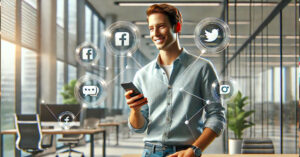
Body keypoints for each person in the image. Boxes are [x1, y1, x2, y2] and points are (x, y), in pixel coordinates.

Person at [125, 3, 225, 157]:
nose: (155, 33)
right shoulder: (142, 75)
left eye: (161, 26)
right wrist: (135, 110)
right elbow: (139, 127)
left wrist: (195, 149)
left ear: (177, 27)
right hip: (150, 152)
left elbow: (216, 116)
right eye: (151, 28)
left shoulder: (202, 68)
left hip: (187, 152)